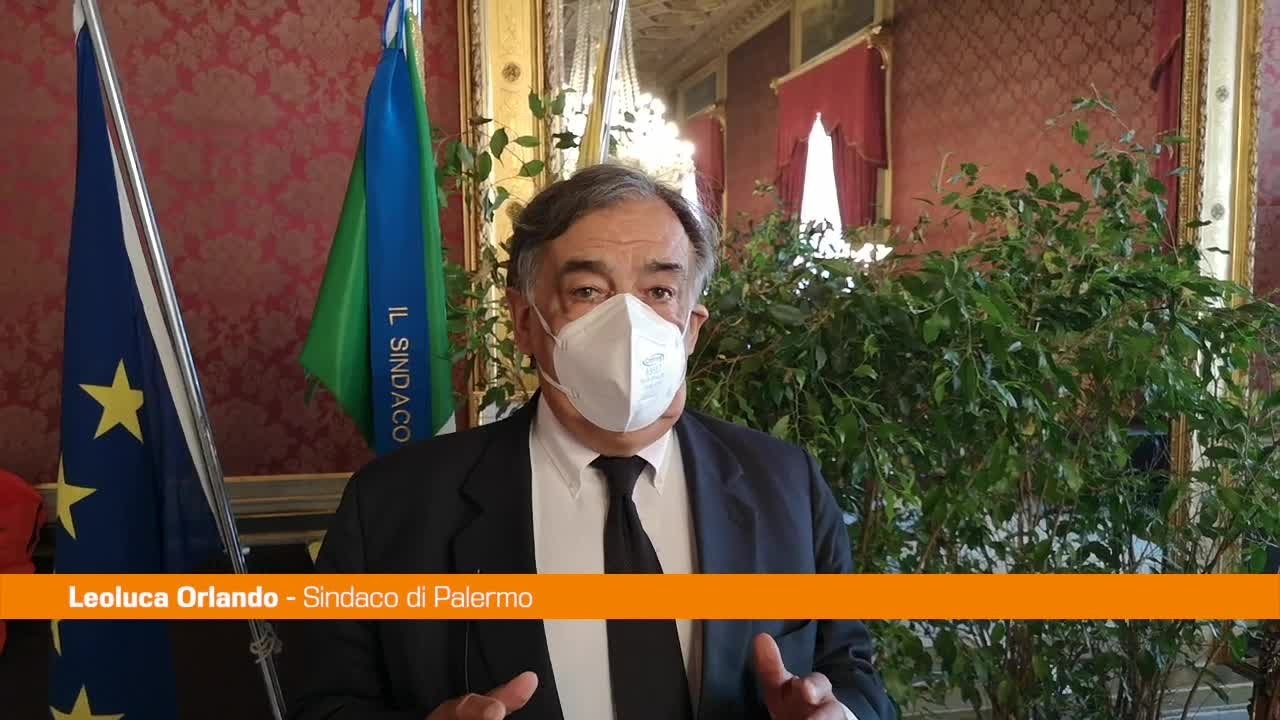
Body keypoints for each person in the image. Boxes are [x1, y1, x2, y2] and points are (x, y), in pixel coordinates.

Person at [291, 164, 895, 720]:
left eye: (659, 292)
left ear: (691, 328)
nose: (628, 324)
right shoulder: (393, 505)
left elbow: (852, 674)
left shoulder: (785, 484)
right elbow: (324, 705)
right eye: (588, 291)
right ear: (525, 322)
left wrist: (838, 713)